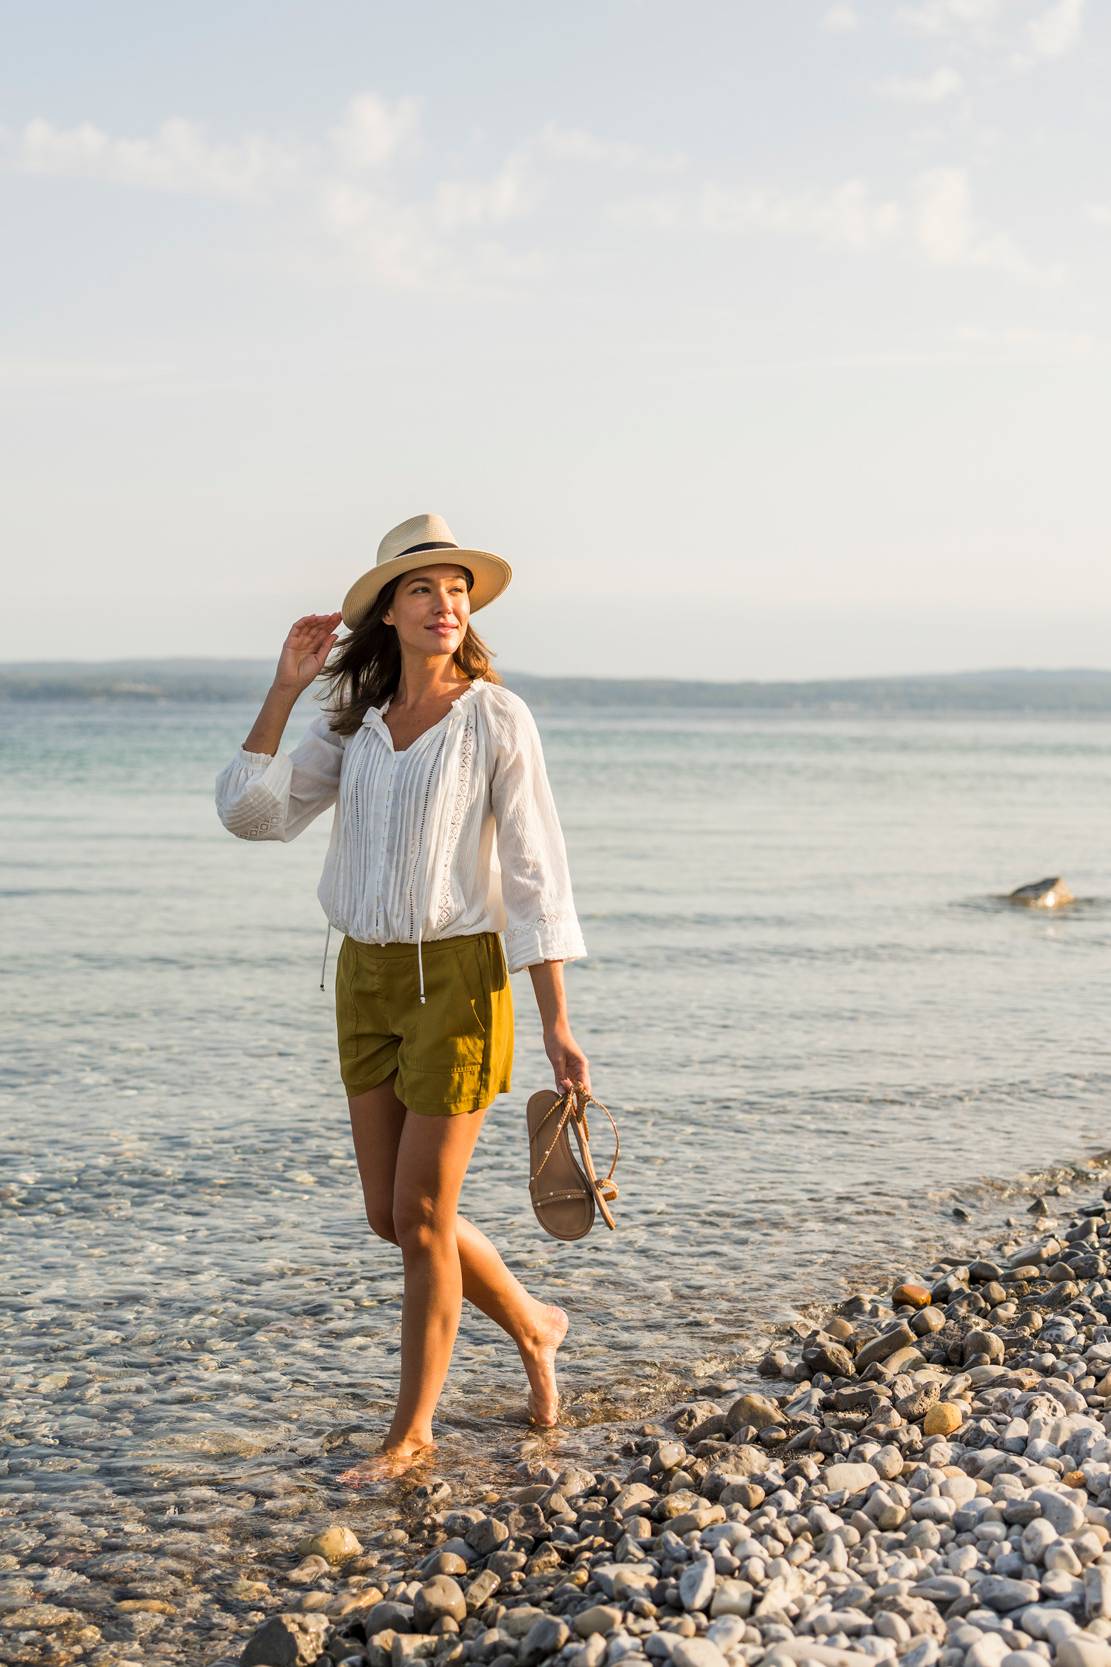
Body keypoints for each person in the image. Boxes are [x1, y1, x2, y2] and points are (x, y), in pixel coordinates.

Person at [214, 513, 590, 1483]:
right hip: (364, 978)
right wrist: (285, 688)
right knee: (393, 1215)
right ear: (388, 611)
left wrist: (555, 1019)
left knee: (422, 1213)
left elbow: (538, 872)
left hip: (458, 978)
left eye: (455, 587)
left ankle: (412, 1433)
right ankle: (535, 1323)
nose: (444, 602)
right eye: (422, 588)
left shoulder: (495, 717)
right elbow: (251, 815)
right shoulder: (356, 730)